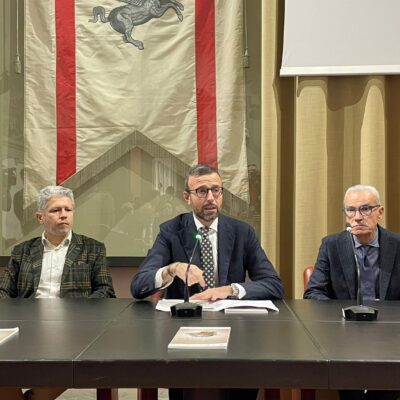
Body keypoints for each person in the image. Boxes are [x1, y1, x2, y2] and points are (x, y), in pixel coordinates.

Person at [131, 164, 283, 400]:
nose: (211, 197)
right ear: (187, 197)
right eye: (202, 191)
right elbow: (138, 285)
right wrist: (172, 269)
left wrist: (229, 290)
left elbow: (273, 284)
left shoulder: (242, 232)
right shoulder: (171, 231)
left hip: (235, 330)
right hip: (183, 333)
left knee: (244, 378)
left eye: (216, 190)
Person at [0, 185, 115, 400]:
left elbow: (105, 292)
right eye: (55, 210)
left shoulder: (92, 248)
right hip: (27, 327)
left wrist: (76, 315)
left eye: (68, 209)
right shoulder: (22, 251)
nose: (63, 215)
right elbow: (4, 290)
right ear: (40, 217)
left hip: (72, 330)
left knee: (68, 362)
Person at [304, 184, 400, 400]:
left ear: (380, 212)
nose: (357, 217)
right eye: (351, 210)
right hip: (345, 335)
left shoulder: (397, 245)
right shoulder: (332, 245)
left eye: (365, 209)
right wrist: (343, 316)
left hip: (392, 335)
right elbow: (314, 293)